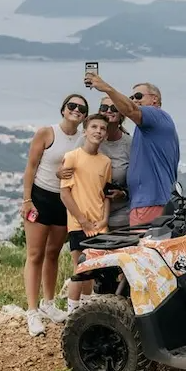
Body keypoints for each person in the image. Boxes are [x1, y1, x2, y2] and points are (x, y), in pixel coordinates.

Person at [20, 93, 86, 336]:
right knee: (35, 254)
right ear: (63, 109)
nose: (76, 110)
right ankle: (32, 310)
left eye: (81, 108)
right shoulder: (47, 133)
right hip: (39, 198)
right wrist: (27, 200)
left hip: (63, 201)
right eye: (72, 105)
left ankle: (49, 304)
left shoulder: (82, 138)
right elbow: (31, 167)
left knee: (53, 253)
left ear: (85, 116)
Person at [82, 76, 179, 227]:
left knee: (143, 249)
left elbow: (131, 110)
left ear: (155, 99)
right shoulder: (148, 128)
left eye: (139, 96)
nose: (134, 100)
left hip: (150, 202)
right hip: (147, 203)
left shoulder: (156, 115)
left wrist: (106, 87)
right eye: (131, 97)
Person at [59, 113, 113, 312]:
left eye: (102, 128)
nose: (98, 131)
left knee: (94, 269)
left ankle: (86, 310)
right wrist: (83, 221)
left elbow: (105, 194)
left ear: (106, 135)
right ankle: (73, 312)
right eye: (94, 127)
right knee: (80, 269)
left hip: (100, 224)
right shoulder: (72, 157)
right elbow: (65, 194)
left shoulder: (106, 162)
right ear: (85, 130)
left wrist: (105, 219)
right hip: (78, 223)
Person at [96, 98, 132, 230]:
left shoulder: (129, 144)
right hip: (90, 215)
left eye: (114, 108)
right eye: (104, 108)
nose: (109, 111)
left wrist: (123, 194)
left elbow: (139, 180)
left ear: (122, 113)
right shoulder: (87, 140)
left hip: (120, 217)